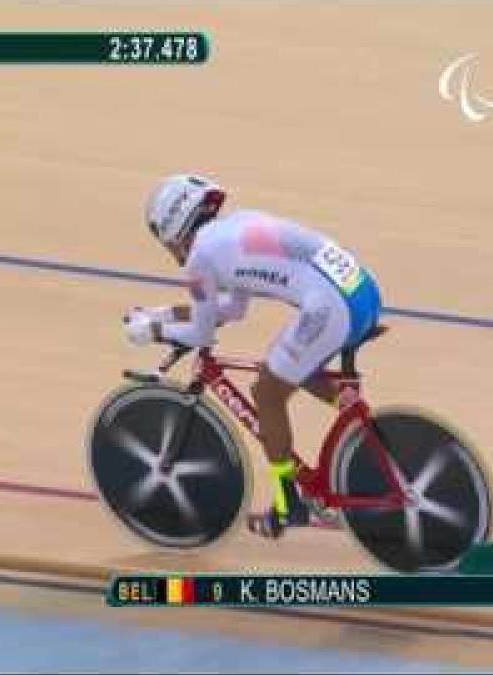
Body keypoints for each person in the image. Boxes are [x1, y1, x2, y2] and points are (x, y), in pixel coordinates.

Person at [123, 174, 383, 539]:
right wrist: (162, 315)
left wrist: (151, 332)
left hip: (331, 307)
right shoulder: (235, 226)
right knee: (286, 367)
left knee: (266, 392)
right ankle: (353, 415)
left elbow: (202, 332)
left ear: (174, 229)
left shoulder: (200, 258)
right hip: (362, 291)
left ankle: (287, 503)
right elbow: (231, 309)